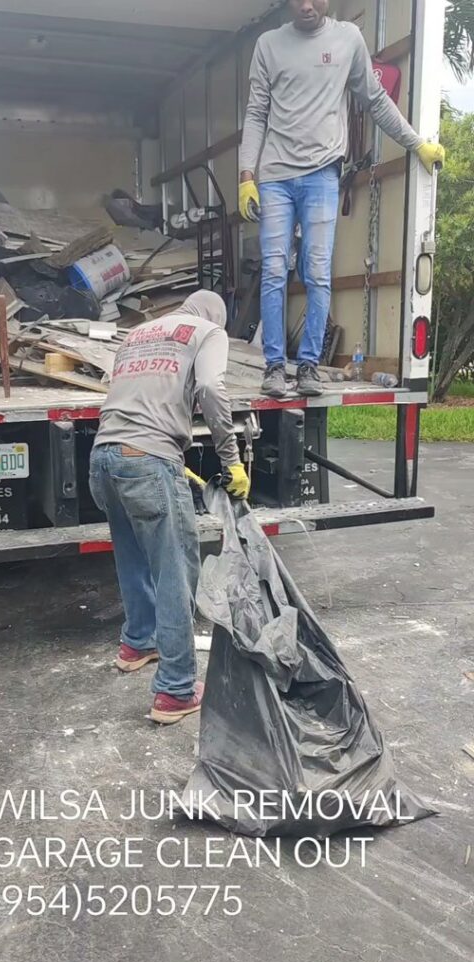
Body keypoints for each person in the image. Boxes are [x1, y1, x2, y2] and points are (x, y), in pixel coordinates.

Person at [239, 0, 445, 399]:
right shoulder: (268, 45)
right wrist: (247, 176)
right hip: (276, 176)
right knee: (275, 271)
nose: (306, 5)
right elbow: (256, 112)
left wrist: (416, 142)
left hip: (321, 175)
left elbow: (376, 99)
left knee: (316, 273)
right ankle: (275, 366)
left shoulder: (348, 39)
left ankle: (310, 367)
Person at [89, 290, 250, 726]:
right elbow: (212, 389)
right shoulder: (208, 332)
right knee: (176, 572)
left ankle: (137, 642)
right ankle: (176, 690)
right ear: (216, 315)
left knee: (133, 559)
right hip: (148, 459)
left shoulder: (137, 333)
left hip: (103, 456)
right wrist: (231, 459)